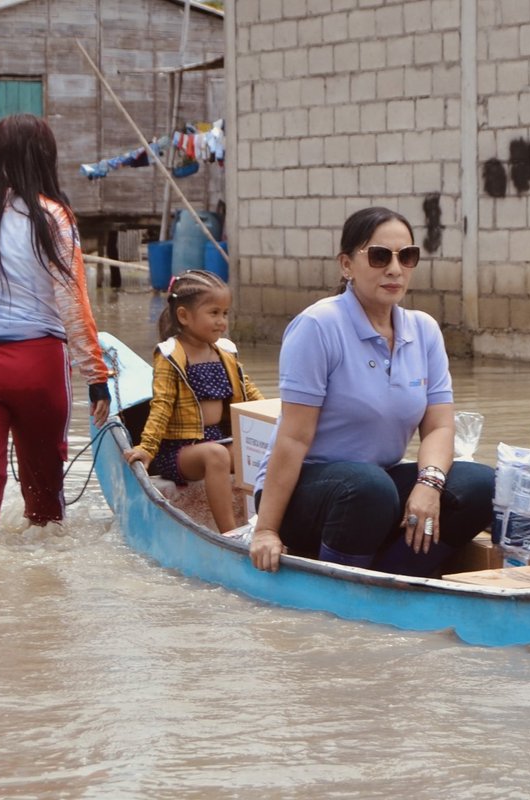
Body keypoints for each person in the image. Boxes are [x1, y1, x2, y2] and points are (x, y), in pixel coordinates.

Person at [249, 207, 494, 577]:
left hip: (374, 486)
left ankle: (397, 574)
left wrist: (429, 484)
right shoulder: (318, 326)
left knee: (480, 483)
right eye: (380, 256)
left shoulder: (424, 330)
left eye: (406, 256)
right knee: (369, 489)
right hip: (308, 492)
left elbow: (440, 427)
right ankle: (342, 583)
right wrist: (266, 529)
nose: (395, 269)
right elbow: (294, 438)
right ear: (346, 264)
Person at [0, 113, 110, 539]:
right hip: (34, 362)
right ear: (46, 158)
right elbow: (74, 304)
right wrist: (96, 377)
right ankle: (43, 595)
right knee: (44, 494)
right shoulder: (54, 217)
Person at [124, 269, 264, 533]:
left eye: (225, 313)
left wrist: (277, 421)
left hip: (217, 439)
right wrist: (147, 448)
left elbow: (250, 393)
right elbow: (161, 407)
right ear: (184, 316)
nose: (222, 321)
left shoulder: (225, 352)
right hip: (179, 451)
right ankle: (230, 534)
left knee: (258, 449)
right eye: (213, 313)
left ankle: (263, 523)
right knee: (216, 455)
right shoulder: (170, 356)